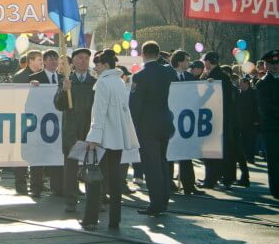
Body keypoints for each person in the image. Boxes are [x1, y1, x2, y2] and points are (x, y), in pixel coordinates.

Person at [81, 50, 139, 230]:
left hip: (104, 137)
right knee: (115, 179)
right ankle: (115, 219)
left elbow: (99, 113)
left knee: (94, 178)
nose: (95, 68)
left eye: (97, 64)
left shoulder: (103, 83)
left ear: (105, 65)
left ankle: (90, 219)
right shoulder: (119, 82)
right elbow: (124, 110)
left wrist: (94, 137)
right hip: (118, 136)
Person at [129, 41, 175, 216]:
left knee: (151, 166)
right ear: (157, 54)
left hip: (147, 126)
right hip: (164, 122)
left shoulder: (140, 76)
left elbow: (135, 105)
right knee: (163, 163)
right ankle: (163, 200)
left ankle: (156, 203)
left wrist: (132, 126)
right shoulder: (168, 72)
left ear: (143, 54)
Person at [55, 48, 96, 212]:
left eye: (86, 58)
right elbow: (58, 105)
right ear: (73, 62)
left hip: (89, 130)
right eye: (80, 58)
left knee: (92, 165)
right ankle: (71, 200)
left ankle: (94, 199)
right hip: (72, 130)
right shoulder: (66, 81)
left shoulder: (93, 83)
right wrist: (64, 91)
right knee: (71, 167)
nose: (84, 61)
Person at [169, 50, 205, 195]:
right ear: (179, 61)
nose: (188, 64)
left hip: (185, 121)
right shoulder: (168, 75)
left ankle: (189, 185)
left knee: (186, 154)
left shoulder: (189, 76)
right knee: (169, 154)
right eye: (186, 60)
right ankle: (168, 183)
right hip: (172, 120)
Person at [201, 51, 236, 189]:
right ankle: (220, 177)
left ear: (209, 62)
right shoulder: (219, 75)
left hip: (218, 118)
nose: (204, 64)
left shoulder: (218, 76)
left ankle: (217, 178)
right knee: (221, 150)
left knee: (217, 149)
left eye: (205, 61)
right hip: (219, 117)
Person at [12, 50, 45, 195]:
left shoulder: (43, 76)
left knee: (38, 153)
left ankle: (37, 185)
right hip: (24, 119)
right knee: (23, 153)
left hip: (39, 119)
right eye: (38, 60)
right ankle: (20, 183)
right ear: (30, 61)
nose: (41, 63)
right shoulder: (20, 76)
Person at [31, 49, 62, 196]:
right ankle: (36, 187)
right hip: (40, 123)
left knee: (57, 154)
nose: (54, 62)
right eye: (50, 59)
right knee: (38, 155)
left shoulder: (63, 78)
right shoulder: (35, 78)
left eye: (56, 59)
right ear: (44, 61)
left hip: (59, 123)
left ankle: (57, 186)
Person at [256, 50, 279, 199]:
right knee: (275, 160)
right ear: (266, 65)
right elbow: (265, 107)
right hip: (272, 128)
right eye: (272, 64)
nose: (275, 67)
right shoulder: (262, 84)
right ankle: (276, 190)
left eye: (277, 63)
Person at [237, 76, 260, 167]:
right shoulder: (239, 93)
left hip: (251, 120)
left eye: (241, 83)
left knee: (251, 139)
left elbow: (257, 107)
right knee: (243, 140)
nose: (240, 84)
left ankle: (250, 157)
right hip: (241, 120)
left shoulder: (254, 93)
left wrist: (257, 119)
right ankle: (244, 157)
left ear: (246, 83)